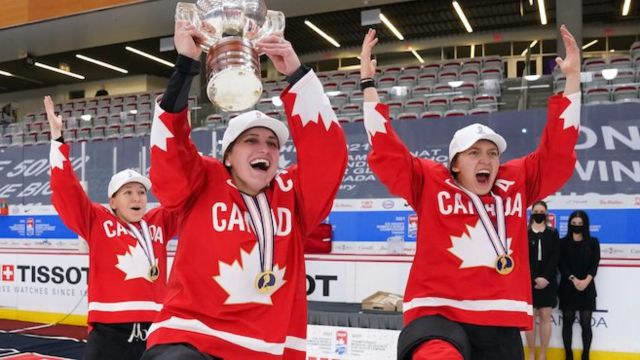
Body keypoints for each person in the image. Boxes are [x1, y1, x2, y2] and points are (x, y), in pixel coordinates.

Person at [359, 25, 581, 360]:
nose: (486, 160)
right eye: (474, 153)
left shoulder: (515, 181)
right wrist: (367, 85)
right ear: (455, 163)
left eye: (492, 153)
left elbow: (558, 153)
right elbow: (386, 149)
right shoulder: (430, 181)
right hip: (439, 317)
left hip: (500, 320)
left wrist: (573, 81)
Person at [142, 20, 347, 359]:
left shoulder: (294, 196)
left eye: (272, 144)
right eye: (251, 141)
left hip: (269, 348)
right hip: (191, 337)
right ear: (227, 156)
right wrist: (186, 65)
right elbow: (169, 154)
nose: (264, 150)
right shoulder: (202, 180)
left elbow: (328, 153)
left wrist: (297, 75)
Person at [45, 95, 180, 360]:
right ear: (113, 201)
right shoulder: (97, 220)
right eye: (127, 192)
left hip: (156, 329)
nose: (137, 197)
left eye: (141, 191)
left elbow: (183, 194)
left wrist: (167, 122)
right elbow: (65, 190)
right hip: (110, 330)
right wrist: (57, 138)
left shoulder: (159, 222)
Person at [558, 210, 600, 360]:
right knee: (567, 323)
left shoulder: (593, 242)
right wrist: (574, 280)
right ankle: (568, 355)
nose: (576, 226)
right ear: (570, 224)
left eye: (580, 224)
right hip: (568, 288)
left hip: (587, 288)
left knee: (586, 323)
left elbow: (594, 264)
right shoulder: (562, 243)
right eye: (574, 224)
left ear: (585, 225)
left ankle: (585, 355)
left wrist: (585, 281)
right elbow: (561, 265)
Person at [525, 201, 560, 360]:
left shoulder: (553, 233)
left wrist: (545, 278)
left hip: (548, 281)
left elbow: (555, 257)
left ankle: (543, 354)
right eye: (536, 211)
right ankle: (531, 352)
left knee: (545, 317)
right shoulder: (524, 233)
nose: (539, 213)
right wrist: (534, 278)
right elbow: (522, 258)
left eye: (541, 211)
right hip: (529, 281)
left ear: (546, 214)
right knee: (530, 319)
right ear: (532, 213)